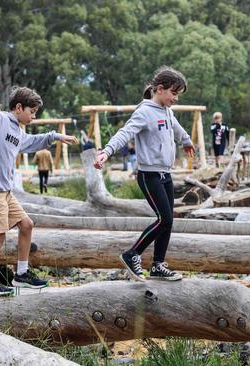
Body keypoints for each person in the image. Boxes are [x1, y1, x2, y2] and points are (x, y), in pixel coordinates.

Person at [0, 86, 78, 295]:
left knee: (27, 225)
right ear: (19, 107)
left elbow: (32, 142)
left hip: (4, 191)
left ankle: (21, 274)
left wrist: (56, 136)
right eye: (32, 112)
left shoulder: (18, 132)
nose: (33, 116)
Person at [94, 66, 195, 282]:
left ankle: (158, 265)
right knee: (164, 218)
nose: (176, 98)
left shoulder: (168, 111)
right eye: (174, 93)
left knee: (169, 221)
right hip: (149, 176)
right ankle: (132, 254)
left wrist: (186, 140)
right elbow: (124, 133)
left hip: (165, 174)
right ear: (160, 89)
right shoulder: (144, 112)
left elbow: (176, 128)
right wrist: (107, 151)